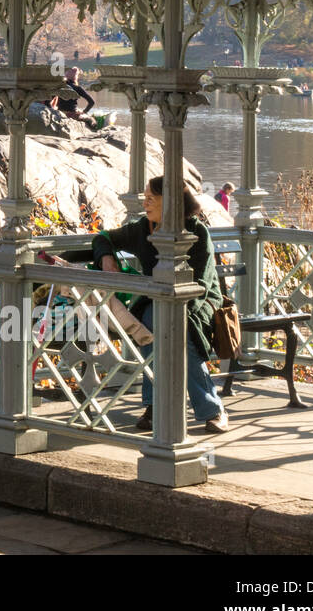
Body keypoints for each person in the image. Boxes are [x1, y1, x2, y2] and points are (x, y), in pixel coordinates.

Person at [92, 175, 229, 435]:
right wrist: (107, 258)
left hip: (197, 302)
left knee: (177, 333)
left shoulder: (196, 231)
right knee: (156, 320)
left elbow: (199, 282)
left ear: (171, 202)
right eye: (145, 198)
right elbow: (102, 238)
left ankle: (204, 409)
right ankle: (170, 407)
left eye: (151, 198)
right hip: (156, 299)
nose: (145, 203)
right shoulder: (143, 228)